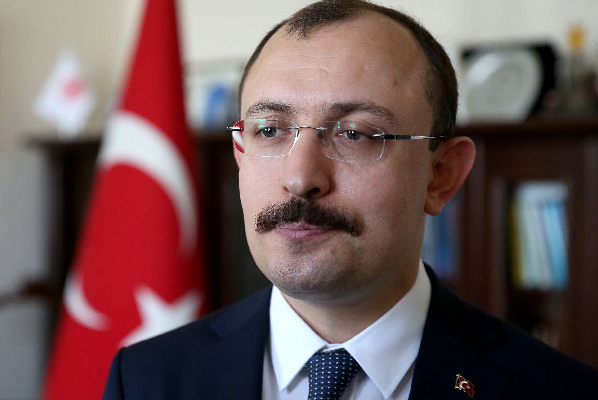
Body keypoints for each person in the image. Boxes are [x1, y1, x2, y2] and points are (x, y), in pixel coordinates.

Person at [103, 1, 597, 398]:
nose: (300, 178)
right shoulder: (146, 380)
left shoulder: (561, 392)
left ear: (441, 175)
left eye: (355, 134)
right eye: (270, 130)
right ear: (240, 152)